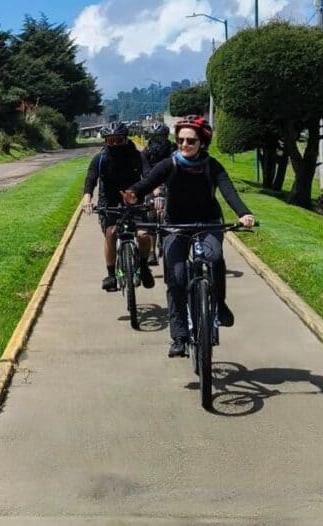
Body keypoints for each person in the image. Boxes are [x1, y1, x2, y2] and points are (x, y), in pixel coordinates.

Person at [123, 115, 256, 358]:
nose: (184, 145)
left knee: (214, 258)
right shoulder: (170, 164)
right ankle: (179, 336)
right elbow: (147, 183)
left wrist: (244, 213)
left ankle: (220, 304)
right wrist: (133, 193)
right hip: (176, 225)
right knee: (176, 277)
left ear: (202, 143)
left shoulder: (212, 166)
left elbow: (228, 191)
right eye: (181, 140)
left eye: (191, 141)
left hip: (208, 222)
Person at [82, 121, 154, 292]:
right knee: (111, 233)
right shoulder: (100, 159)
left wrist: (153, 195)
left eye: (118, 140)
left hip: (135, 198)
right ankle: (111, 275)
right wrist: (87, 199)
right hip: (109, 201)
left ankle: (144, 266)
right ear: (106, 141)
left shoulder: (137, 156)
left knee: (143, 235)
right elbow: (90, 180)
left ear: (125, 139)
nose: (114, 144)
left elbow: (149, 177)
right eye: (110, 141)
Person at [140, 122, 175, 265]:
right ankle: (151, 251)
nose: (157, 140)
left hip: (170, 183)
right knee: (151, 214)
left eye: (160, 137)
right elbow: (146, 173)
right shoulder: (145, 152)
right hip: (152, 184)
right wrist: (154, 189)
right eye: (154, 137)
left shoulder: (174, 149)